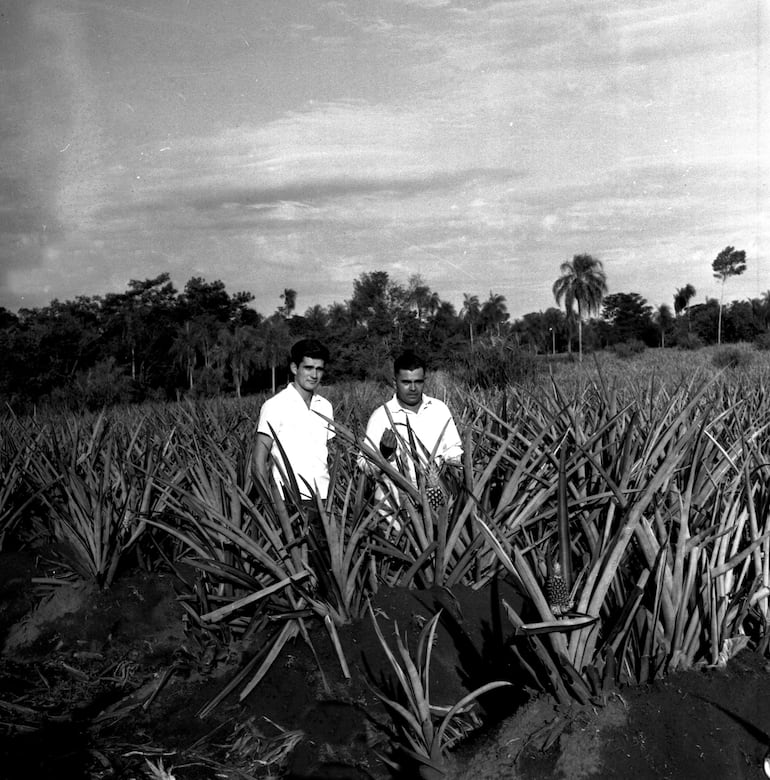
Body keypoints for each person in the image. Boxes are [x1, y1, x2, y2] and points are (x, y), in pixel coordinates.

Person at [359, 350, 462, 522]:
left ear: (424, 381)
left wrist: (458, 462)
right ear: (395, 383)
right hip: (396, 510)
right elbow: (363, 465)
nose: (413, 388)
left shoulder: (439, 409)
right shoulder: (381, 416)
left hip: (437, 502)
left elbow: (453, 450)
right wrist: (383, 454)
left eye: (418, 382)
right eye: (406, 382)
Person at [255, 339, 334, 507]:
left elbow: (329, 455)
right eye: (308, 368)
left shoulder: (326, 406)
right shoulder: (274, 406)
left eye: (319, 369)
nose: (314, 375)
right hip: (288, 500)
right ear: (294, 368)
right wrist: (269, 504)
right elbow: (259, 460)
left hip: (325, 497)